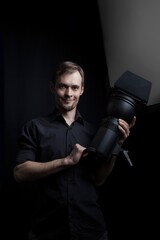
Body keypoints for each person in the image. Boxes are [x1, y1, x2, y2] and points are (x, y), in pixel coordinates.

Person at [13, 61, 136, 240]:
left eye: (74, 87)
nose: (69, 93)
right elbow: (20, 173)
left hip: (91, 231)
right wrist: (66, 161)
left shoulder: (95, 132)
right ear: (52, 87)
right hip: (47, 231)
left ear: (82, 90)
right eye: (62, 86)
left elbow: (99, 179)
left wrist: (116, 144)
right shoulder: (35, 127)